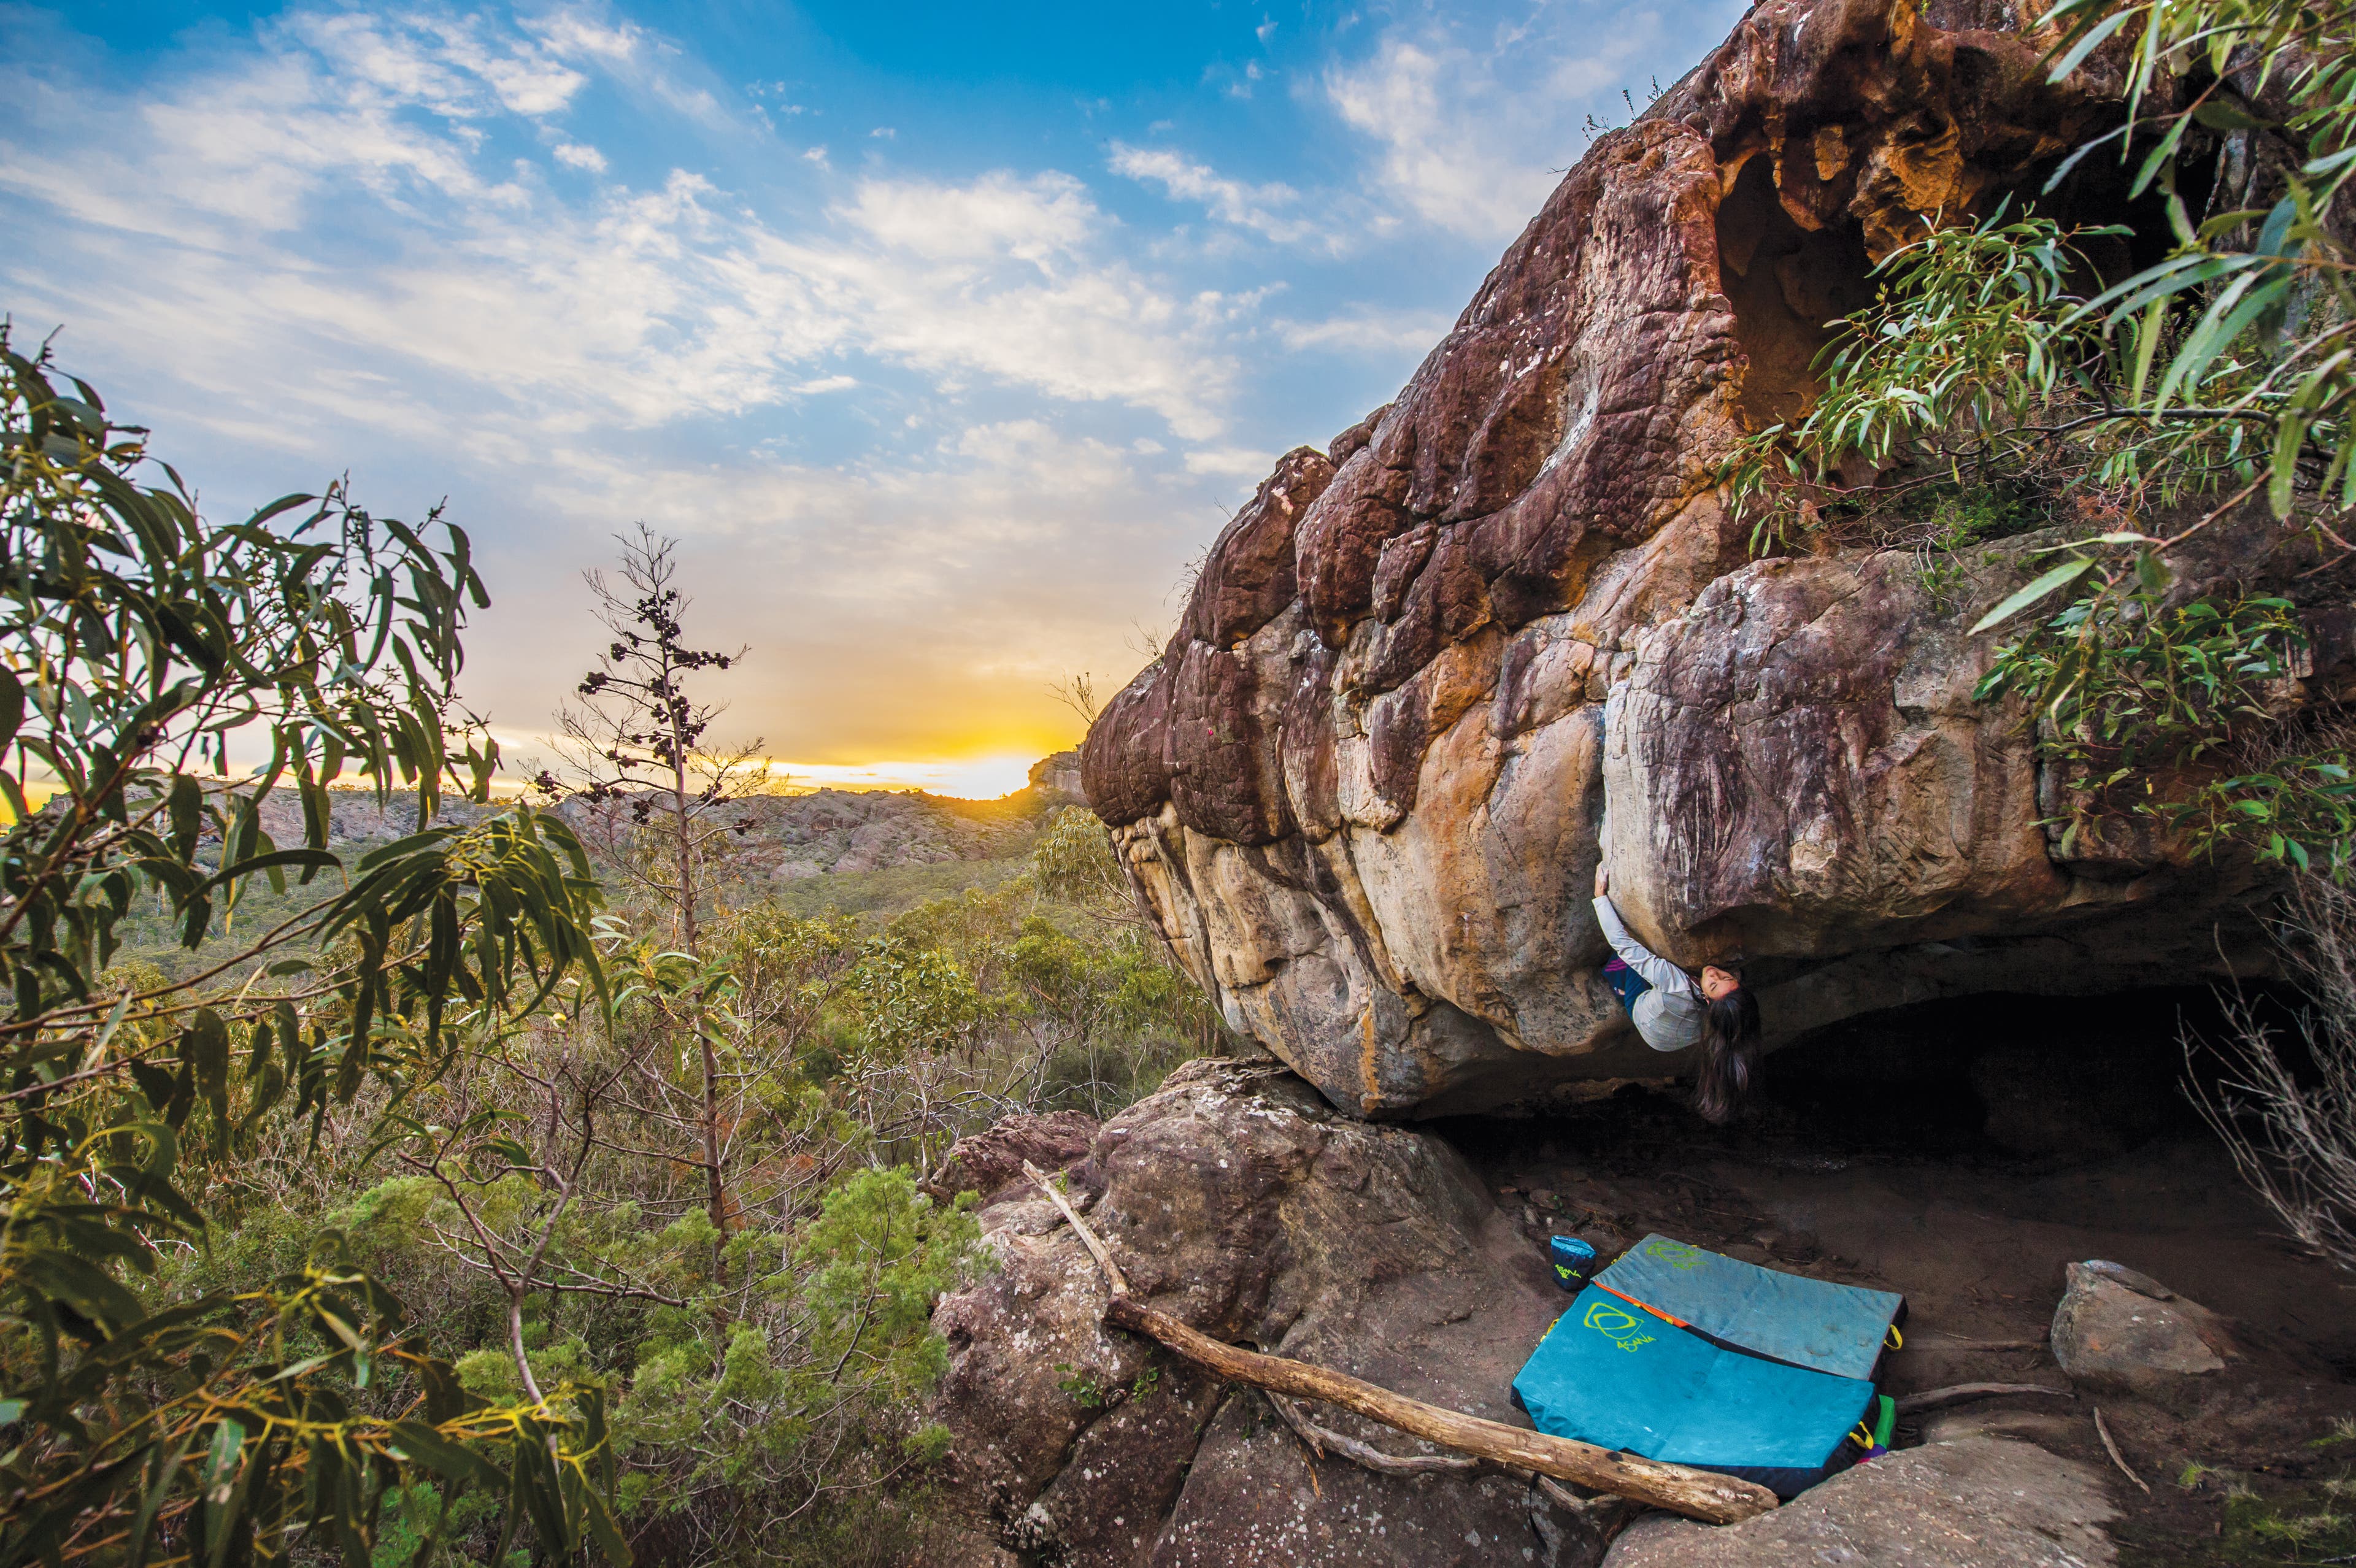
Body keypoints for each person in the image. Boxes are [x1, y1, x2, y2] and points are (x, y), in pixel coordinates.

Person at [1592, 865, 1763, 1124]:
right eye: (1726, 977)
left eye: (1714, 984)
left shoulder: (1676, 984)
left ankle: (1619, 986)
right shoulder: (1723, 1020)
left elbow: (1625, 945)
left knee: (1621, 965)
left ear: (1707, 1000)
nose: (1714, 973)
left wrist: (1600, 895)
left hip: (1648, 1018)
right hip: (1673, 1033)